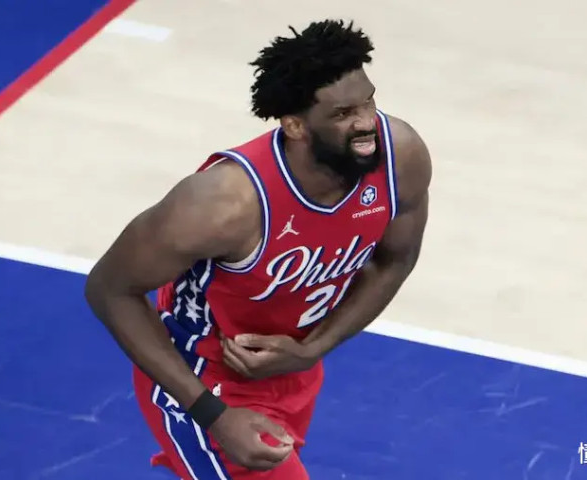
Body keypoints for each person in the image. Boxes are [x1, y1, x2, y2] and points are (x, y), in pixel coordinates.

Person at [84, 18, 432, 480]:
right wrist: (212, 415)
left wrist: (314, 348)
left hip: (293, 369)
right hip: (201, 379)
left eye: (369, 101)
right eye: (343, 113)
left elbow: (394, 260)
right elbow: (109, 289)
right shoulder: (223, 202)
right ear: (295, 125)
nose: (367, 122)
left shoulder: (399, 156)